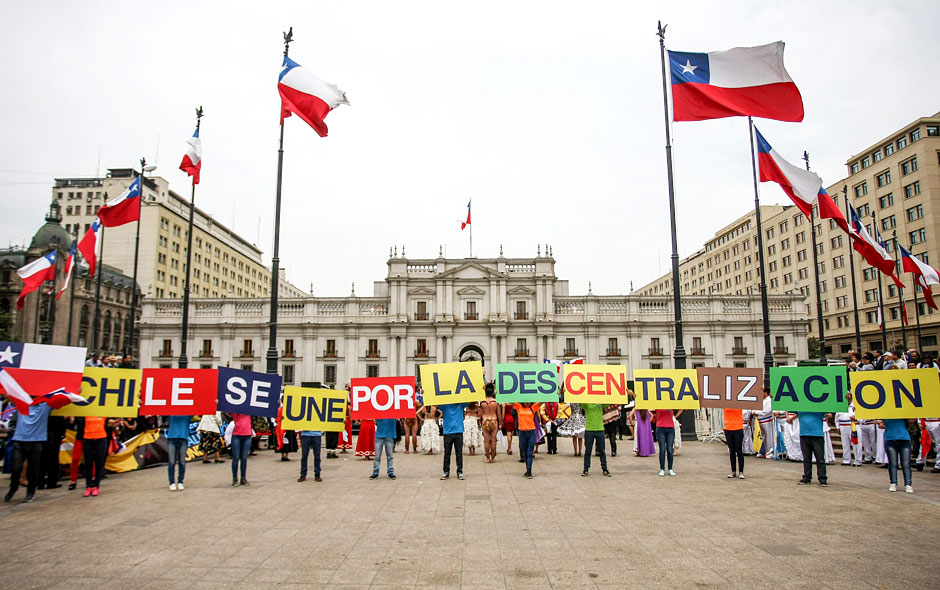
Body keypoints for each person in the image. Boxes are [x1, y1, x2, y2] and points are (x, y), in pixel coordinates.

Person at [4, 403, 53, 503]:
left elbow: (63, 400)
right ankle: (13, 487)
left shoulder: (45, 406)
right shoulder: (21, 403)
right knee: (16, 467)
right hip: (19, 440)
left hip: (36, 441)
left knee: (33, 469)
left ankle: (30, 492)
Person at [82, 415, 113, 496]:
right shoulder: (86, 411)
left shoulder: (103, 411)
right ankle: (88, 486)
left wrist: (112, 423)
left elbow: (108, 423)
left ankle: (96, 486)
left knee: (99, 463)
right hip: (88, 438)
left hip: (101, 438)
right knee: (88, 463)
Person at [881, 418, 913, 493]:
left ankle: (908, 484)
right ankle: (893, 483)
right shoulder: (885, 412)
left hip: (904, 439)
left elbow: (912, 420)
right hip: (890, 439)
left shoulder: (904, 412)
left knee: (906, 464)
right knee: (893, 463)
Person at [796, 410, 827, 486]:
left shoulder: (820, 406)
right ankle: (807, 476)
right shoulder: (799, 406)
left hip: (817, 435)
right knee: (806, 458)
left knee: (820, 458)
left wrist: (848, 399)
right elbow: (786, 405)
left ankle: (822, 478)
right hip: (804, 434)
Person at [513, 402, 541, 478]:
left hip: (531, 432)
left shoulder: (533, 407)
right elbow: (509, 400)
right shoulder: (518, 407)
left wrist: (557, 393)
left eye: (529, 401)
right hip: (522, 432)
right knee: (525, 452)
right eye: (526, 401)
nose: (527, 403)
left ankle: (529, 471)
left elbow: (543, 400)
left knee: (529, 453)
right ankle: (527, 469)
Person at [582, 404, 610, 477]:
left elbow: (609, 400)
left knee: (602, 450)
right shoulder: (586, 404)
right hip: (589, 429)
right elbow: (577, 400)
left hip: (600, 429)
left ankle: (605, 468)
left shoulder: (601, 402)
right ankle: (586, 469)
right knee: (588, 450)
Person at [440, 402, 467, 480]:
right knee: (447, 454)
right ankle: (446, 472)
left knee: (459, 453)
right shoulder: (444, 404)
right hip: (448, 432)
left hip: (458, 431)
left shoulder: (461, 403)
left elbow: (471, 400)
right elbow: (434, 404)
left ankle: (459, 472)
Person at [166, 415, 191, 491]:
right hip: (172, 438)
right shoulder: (170, 411)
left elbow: (199, 409)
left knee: (182, 462)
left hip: (183, 438)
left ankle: (180, 481)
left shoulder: (188, 412)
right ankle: (172, 482)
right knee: (171, 462)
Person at [835, 394, 860, 467]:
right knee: (845, 443)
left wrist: (856, 418)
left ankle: (857, 460)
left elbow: (862, 416)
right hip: (843, 425)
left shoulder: (855, 406)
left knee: (856, 443)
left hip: (853, 425)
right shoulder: (841, 406)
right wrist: (837, 427)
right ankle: (846, 459)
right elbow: (836, 417)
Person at [480, 385, 503, 463]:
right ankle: (493, 458)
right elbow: (499, 414)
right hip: (494, 420)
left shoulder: (482, 402)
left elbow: (480, 414)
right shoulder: (495, 402)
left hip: (485, 420)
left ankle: (487, 458)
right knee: (493, 440)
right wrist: (500, 423)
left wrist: (479, 423)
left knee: (486, 441)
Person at [655, 409, 681, 476]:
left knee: (670, 449)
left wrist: (675, 417)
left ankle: (670, 468)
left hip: (670, 428)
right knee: (662, 449)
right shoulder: (657, 404)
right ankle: (662, 469)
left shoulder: (671, 403)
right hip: (660, 428)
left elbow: (681, 407)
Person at [230, 412, 252, 486]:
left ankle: (243, 478)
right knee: (236, 457)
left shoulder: (249, 409)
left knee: (244, 458)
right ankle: (235, 478)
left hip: (247, 435)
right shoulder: (235, 410)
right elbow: (226, 407)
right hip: (237, 435)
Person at [724, 408, 745, 479]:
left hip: (738, 427)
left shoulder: (738, 403)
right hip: (728, 428)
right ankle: (733, 471)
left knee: (739, 451)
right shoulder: (724, 403)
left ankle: (741, 471)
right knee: (731, 451)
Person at [756, 388, 775, 459]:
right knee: (760, 437)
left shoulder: (769, 400)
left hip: (766, 421)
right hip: (759, 421)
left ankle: (769, 452)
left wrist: (757, 412)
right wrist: (754, 412)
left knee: (768, 437)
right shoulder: (760, 400)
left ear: (765, 393)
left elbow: (767, 411)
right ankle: (761, 451)